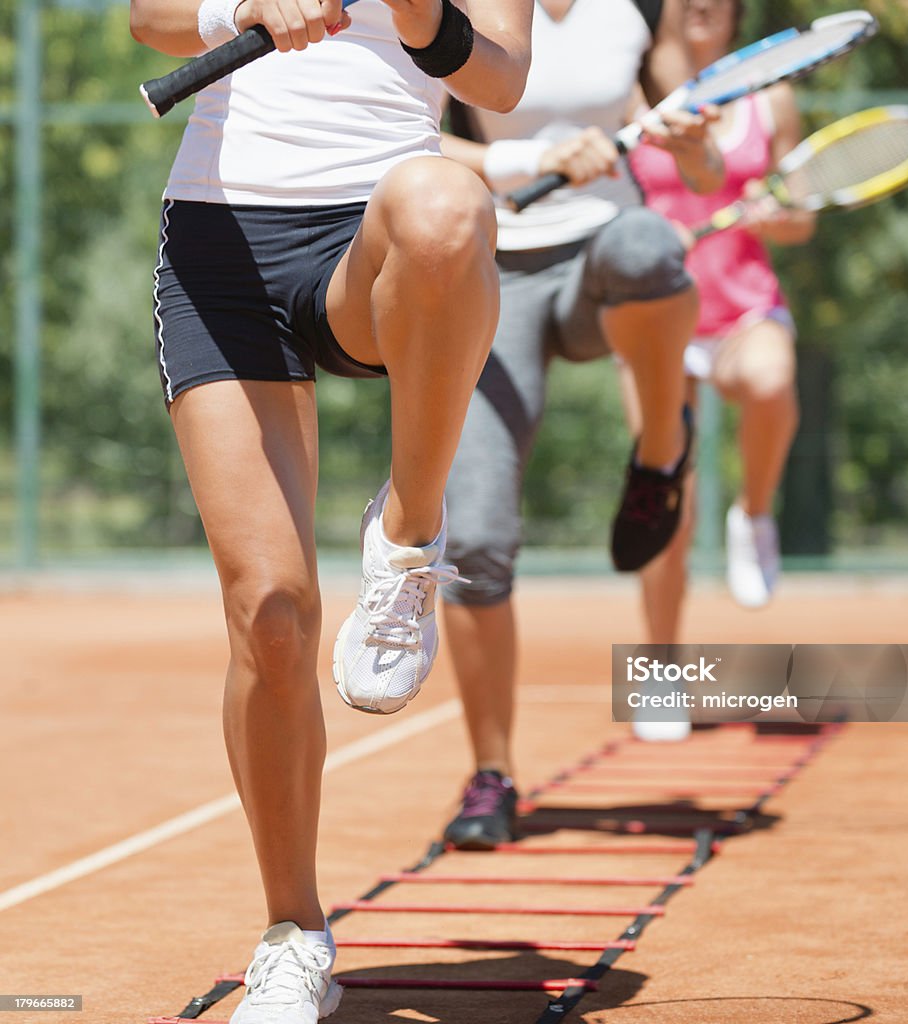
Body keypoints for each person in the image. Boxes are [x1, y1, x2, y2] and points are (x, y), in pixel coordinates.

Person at [129, 0, 532, 1020]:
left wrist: (415, 12)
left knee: (448, 204)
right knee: (271, 614)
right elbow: (151, 19)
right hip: (221, 250)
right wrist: (243, 8)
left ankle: (409, 527)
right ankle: (294, 933)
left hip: (374, 238)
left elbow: (499, 80)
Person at [435, 0, 725, 849]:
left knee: (651, 245)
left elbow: (698, 167)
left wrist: (696, 144)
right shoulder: (449, 9)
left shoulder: (639, 11)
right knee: (476, 540)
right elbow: (407, 143)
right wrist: (526, 159)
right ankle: (493, 775)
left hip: (607, 266)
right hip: (493, 275)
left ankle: (661, 454)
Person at [627, 0, 816, 650]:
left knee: (770, 383)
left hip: (743, 310)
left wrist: (777, 213)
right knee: (666, 510)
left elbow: (803, 216)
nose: (700, 3)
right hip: (655, 319)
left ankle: (755, 514)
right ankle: (660, 667)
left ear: (738, 10)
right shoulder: (632, 89)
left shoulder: (775, 99)